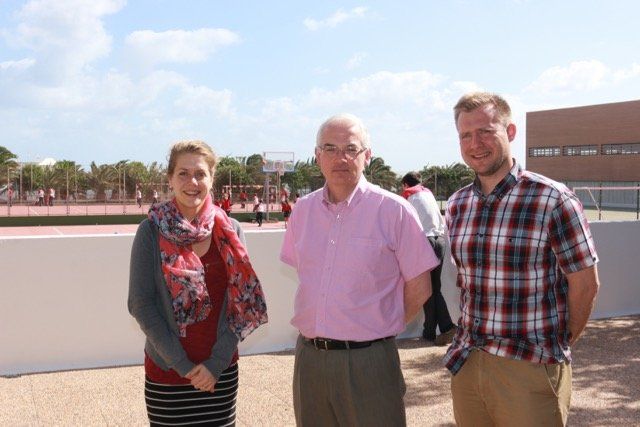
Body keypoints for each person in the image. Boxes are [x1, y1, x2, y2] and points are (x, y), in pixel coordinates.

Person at [444, 92, 600, 426]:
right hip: (469, 363)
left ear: (510, 132)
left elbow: (585, 284)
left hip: (529, 367)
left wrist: (557, 343)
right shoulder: (457, 205)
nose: (476, 143)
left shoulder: (553, 199)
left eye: (486, 131)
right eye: (465, 135)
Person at [280, 114, 438, 426]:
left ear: (367, 156)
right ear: (317, 156)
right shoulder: (303, 210)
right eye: (330, 148)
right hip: (310, 361)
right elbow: (309, 277)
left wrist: (373, 330)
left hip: (370, 362)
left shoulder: (394, 211)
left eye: (350, 149)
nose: (340, 158)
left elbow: (420, 289)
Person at [128, 140, 268, 426]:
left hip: (220, 373)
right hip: (168, 374)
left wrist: (215, 365)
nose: (192, 182)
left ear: (212, 179)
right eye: (183, 173)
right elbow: (140, 304)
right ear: (170, 179)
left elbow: (241, 303)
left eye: (200, 174)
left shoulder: (231, 230)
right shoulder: (150, 231)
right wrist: (183, 365)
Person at [401, 172, 456, 346]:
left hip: (426, 242)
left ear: (405, 184)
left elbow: (406, 223)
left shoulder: (411, 196)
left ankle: (446, 326)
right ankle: (430, 331)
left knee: (427, 289)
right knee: (433, 288)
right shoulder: (428, 194)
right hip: (439, 241)